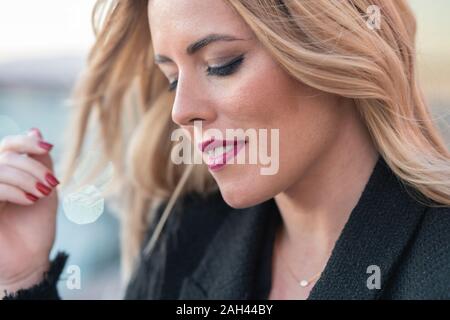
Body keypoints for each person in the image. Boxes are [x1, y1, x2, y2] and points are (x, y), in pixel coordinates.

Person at [1, 0, 449, 300]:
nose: (182, 111)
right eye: (172, 78)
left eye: (221, 64)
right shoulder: (185, 238)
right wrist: (22, 279)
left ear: (330, 44)